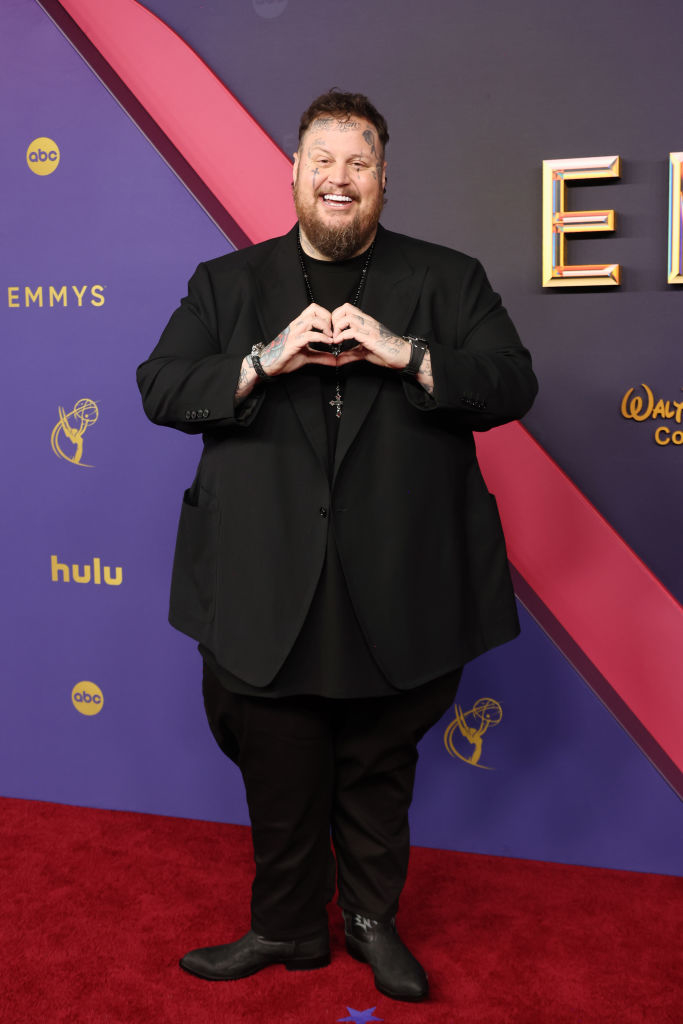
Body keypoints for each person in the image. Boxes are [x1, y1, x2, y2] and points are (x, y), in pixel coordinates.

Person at [136, 89, 537, 1002]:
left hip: (400, 586)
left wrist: (406, 352)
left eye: (359, 162)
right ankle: (285, 929)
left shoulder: (448, 278)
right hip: (261, 585)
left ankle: (368, 921)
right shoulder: (224, 285)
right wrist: (260, 360)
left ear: (384, 180)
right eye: (323, 160)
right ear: (293, 174)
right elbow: (159, 388)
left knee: (377, 771)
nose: (339, 178)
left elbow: (512, 383)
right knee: (277, 772)